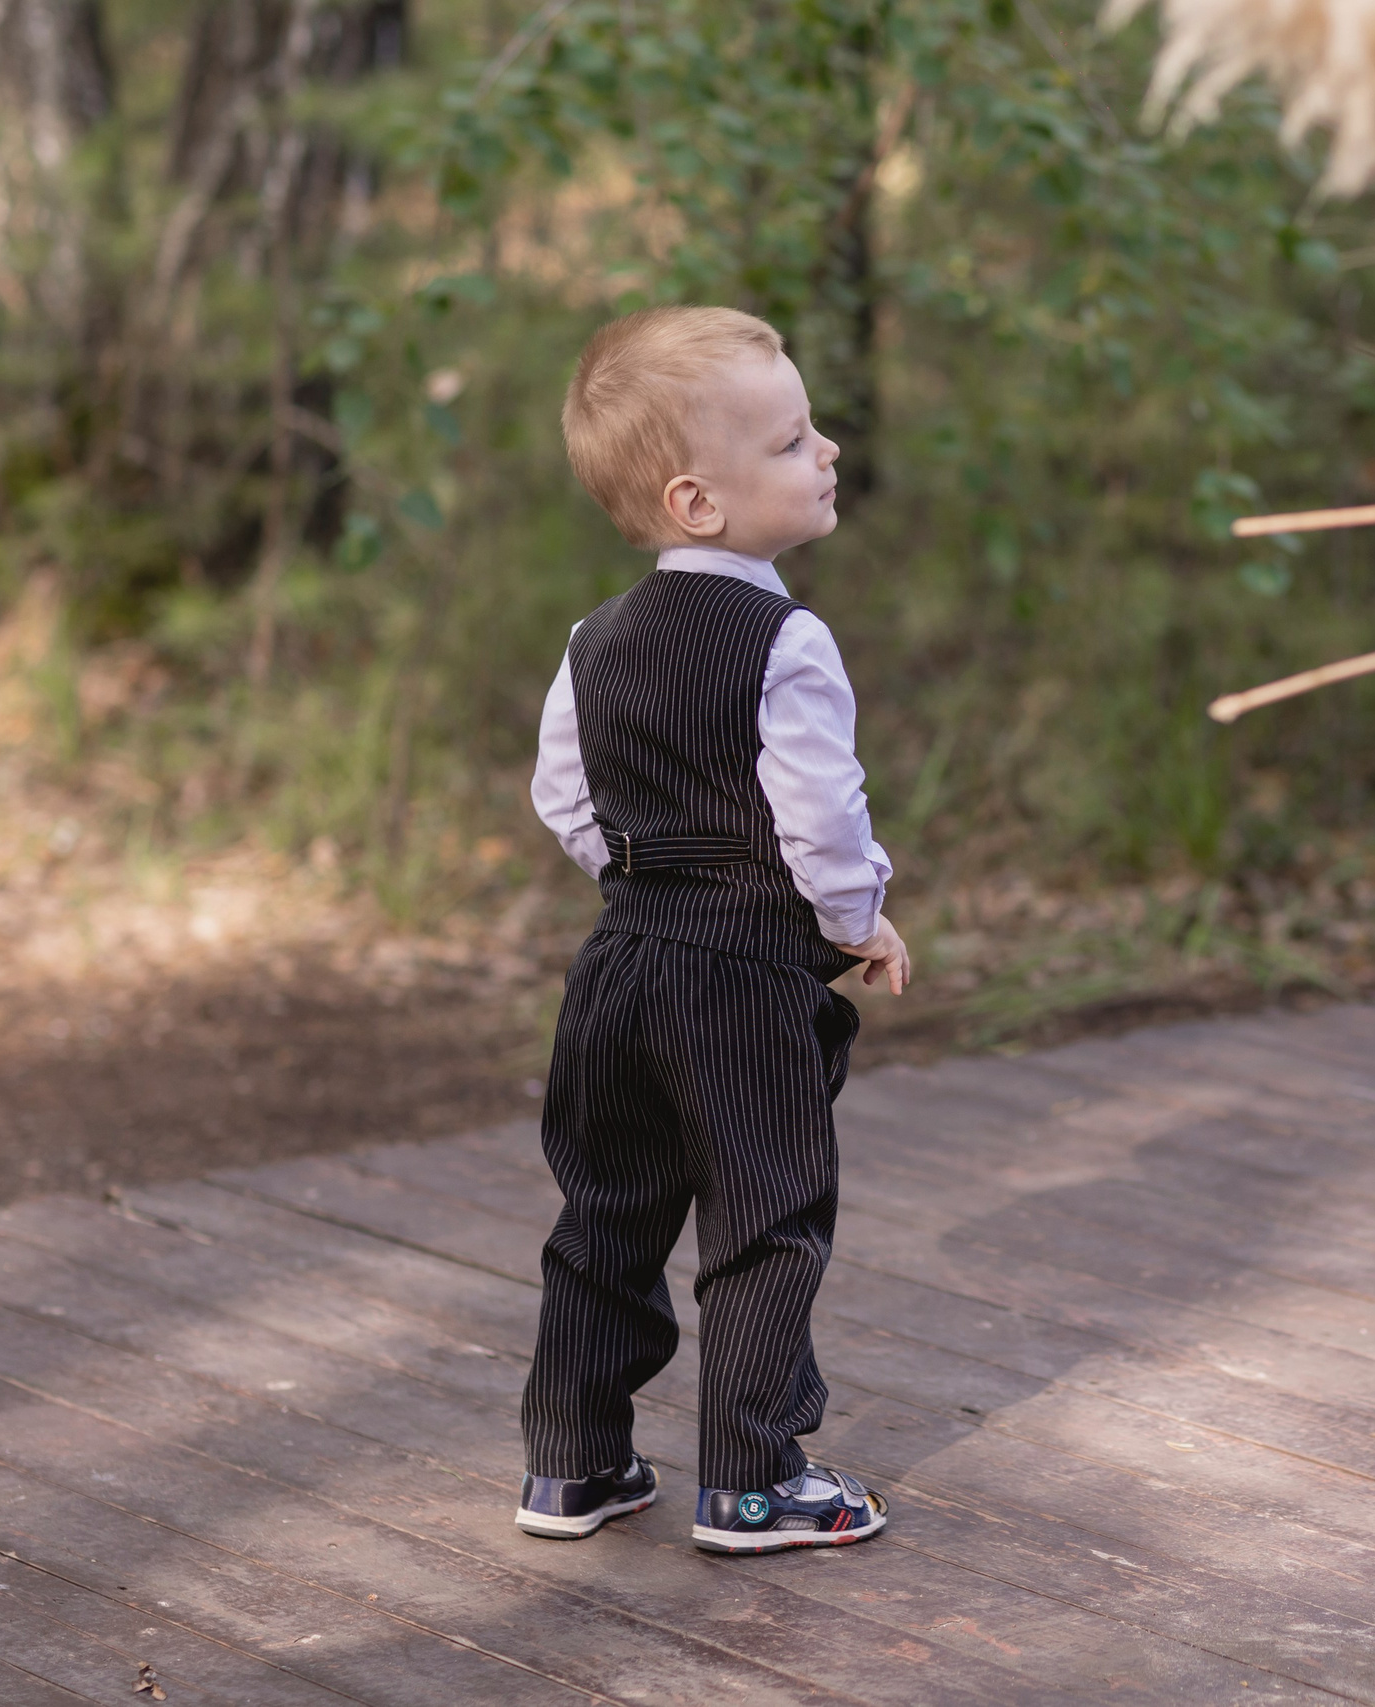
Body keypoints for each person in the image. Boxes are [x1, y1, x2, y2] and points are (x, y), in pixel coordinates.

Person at [513, 305, 910, 1555]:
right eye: (792, 441)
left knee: (607, 1215)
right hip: (738, 979)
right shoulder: (788, 638)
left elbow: (563, 801)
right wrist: (858, 920)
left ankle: (572, 1463)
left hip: (619, 971)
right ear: (698, 501)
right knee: (763, 1219)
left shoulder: (592, 640)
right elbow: (821, 819)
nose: (828, 448)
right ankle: (748, 1480)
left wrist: (640, 878)